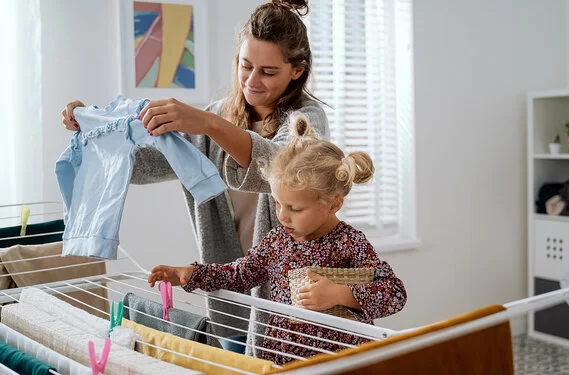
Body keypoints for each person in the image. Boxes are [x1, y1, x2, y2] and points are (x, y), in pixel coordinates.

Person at [61, 0, 329, 355]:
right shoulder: (218, 116)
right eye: (245, 66)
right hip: (229, 290)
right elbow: (145, 165)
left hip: (285, 294)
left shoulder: (307, 120)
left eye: (268, 72)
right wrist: (94, 132)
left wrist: (207, 123)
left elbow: (280, 168)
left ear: (297, 71)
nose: (251, 81)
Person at [147, 115, 408, 365]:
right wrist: (191, 274)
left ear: (333, 204)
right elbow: (239, 275)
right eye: (277, 203)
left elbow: (394, 293)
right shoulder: (277, 241)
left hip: (341, 362)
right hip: (283, 360)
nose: (282, 216)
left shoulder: (350, 242)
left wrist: (341, 294)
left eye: (295, 209)